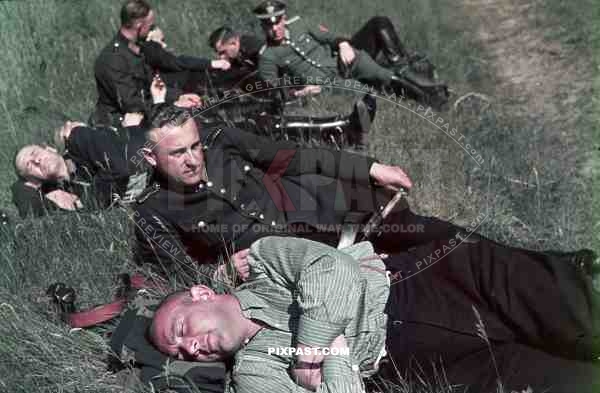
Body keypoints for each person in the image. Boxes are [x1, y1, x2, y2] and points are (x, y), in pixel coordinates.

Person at [149, 236, 600, 393]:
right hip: (411, 360)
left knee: (580, 314)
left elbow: (333, 269)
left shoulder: (264, 263)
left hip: (427, 282)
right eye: (182, 351)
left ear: (202, 294)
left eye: (182, 329)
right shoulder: (255, 375)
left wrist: (312, 354)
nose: (191, 346)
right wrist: (342, 357)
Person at [132, 103, 413, 283]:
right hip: (295, 263)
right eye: (178, 153)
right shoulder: (153, 210)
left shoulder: (221, 142)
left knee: (419, 229)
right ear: (151, 157)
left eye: (194, 146)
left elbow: (294, 157)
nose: (193, 159)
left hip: (322, 209)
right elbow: (180, 273)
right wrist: (222, 274)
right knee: (401, 278)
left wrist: (369, 168)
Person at [252, 1, 448, 109]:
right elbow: (274, 92)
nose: (274, 29)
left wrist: (344, 44)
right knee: (367, 94)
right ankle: (420, 96)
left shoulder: (299, 24)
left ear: (284, 19)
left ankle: (431, 101)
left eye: (277, 22)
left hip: (341, 64)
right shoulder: (267, 56)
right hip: (325, 86)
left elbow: (330, 37)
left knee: (385, 76)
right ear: (262, 26)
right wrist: (300, 92)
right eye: (269, 25)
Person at [92, 0, 216, 127]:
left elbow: (153, 85)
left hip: (148, 112)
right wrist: (173, 104)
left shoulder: (137, 49)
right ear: (139, 25)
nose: (151, 29)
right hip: (120, 123)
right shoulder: (112, 59)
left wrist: (179, 96)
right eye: (150, 26)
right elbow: (131, 103)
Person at [12, 120, 148, 218]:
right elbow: (26, 203)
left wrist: (85, 203)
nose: (36, 161)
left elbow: (119, 168)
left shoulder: (77, 139)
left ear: (50, 148)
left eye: (34, 153)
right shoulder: (65, 190)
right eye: (30, 166)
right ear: (34, 181)